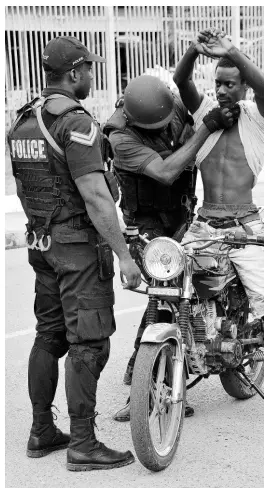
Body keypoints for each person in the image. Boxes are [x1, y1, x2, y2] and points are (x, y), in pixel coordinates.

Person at [8, 36, 142, 472]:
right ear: (74, 73)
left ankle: (41, 430)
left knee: (49, 333)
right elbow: (98, 199)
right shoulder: (76, 123)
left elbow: (30, 187)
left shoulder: (23, 119)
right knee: (89, 341)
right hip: (77, 248)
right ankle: (83, 443)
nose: (91, 76)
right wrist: (123, 255)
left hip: (41, 244)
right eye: (88, 69)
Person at [103, 74, 237, 422]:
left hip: (180, 213)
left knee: (183, 294)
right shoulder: (120, 137)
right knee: (163, 293)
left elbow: (190, 101)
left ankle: (148, 369)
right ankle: (151, 383)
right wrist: (206, 128)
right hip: (144, 224)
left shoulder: (172, 103)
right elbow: (165, 171)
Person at [173, 28, 264, 323]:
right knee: (175, 290)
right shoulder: (205, 113)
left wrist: (231, 51)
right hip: (204, 226)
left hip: (244, 228)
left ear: (245, 86)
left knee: (265, 307)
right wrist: (193, 50)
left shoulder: (257, 118)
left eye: (230, 84)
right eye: (217, 84)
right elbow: (181, 81)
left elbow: (265, 88)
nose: (222, 91)